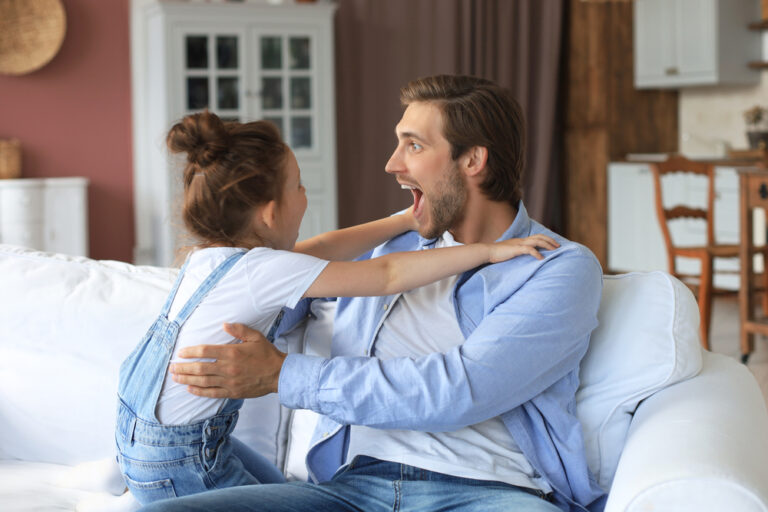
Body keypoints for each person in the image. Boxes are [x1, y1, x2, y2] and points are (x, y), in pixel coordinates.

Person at [143, 75, 607, 512]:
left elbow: (461, 389)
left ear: (472, 161)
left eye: (414, 145)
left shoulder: (554, 266)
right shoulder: (387, 251)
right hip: (355, 491)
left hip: (487, 491)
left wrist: (286, 375)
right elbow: (272, 297)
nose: (392, 163)